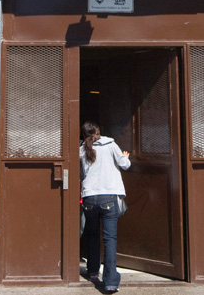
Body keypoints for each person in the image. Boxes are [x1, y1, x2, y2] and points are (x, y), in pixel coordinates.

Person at [80, 121, 131, 293]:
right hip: (108, 196)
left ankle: (93, 272)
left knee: (92, 235)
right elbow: (125, 165)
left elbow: (81, 174)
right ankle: (110, 282)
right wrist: (126, 157)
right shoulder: (111, 145)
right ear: (99, 131)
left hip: (89, 198)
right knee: (109, 239)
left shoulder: (82, 150)